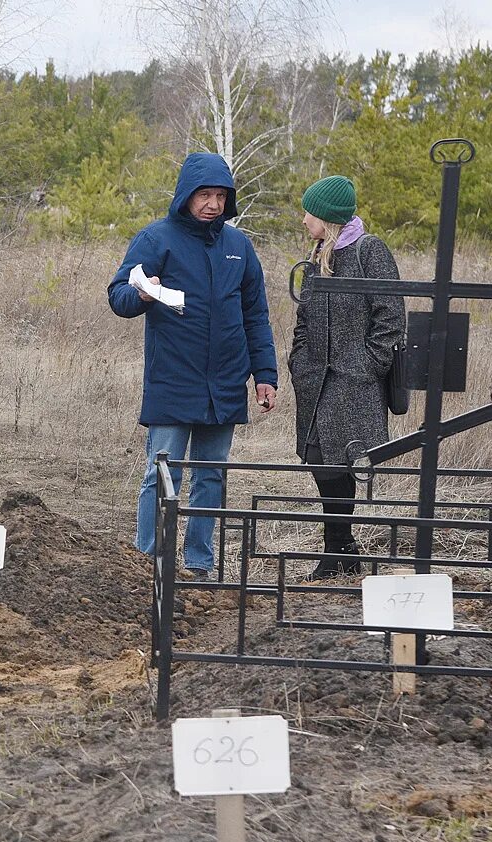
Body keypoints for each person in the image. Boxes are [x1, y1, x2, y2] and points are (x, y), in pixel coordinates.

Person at [107, 152, 278, 580]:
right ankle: (146, 563)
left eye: (221, 196)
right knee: (161, 476)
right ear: (186, 195)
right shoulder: (156, 239)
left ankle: (198, 564)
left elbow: (256, 315)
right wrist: (143, 294)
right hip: (173, 381)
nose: (213, 204)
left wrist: (265, 376)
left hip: (225, 383)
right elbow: (118, 297)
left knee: (211, 477)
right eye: (205, 194)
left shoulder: (238, 247)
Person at [288, 175, 404, 578]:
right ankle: (342, 549)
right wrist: (299, 362)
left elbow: (391, 317)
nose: (304, 219)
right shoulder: (318, 256)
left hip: (354, 383)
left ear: (327, 216)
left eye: (309, 212)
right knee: (321, 462)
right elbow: (304, 317)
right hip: (317, 380)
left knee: (340, 462)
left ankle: (337, 551)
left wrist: (366, 366)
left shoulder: (369, 251)